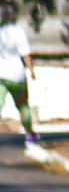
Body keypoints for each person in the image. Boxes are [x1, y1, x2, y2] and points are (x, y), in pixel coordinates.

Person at [0, 10, 34, 143]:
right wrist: (31, 70)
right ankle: (29, 134)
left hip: (1, 75)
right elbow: (25, 53)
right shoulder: (18, 31)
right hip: (17, 75)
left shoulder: (1, 31)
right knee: (23, 105)